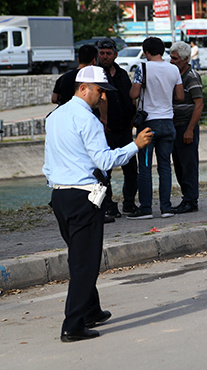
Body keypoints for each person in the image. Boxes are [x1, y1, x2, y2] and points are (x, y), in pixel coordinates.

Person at [43, 65, 153, 342]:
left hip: (60, 195)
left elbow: (48, 165)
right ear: (83, 88)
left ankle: (91, 309)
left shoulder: (54, 117)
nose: (102, 97)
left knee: (79, 256)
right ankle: (73, 325)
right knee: (86, 263)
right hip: (83, 196)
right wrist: (135, 145)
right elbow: (104, 160)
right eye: (99, 91)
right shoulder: (88, 120)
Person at [129, 37, 184, 220]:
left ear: (146, 52)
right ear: (162, 50)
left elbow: (134, 94)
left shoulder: (142, 68)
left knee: (145, 167)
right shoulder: (173, 68)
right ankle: (166, 208)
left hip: (148, 125)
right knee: (165, 167)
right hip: (168, 123)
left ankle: (145, 208)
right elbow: (180, 96)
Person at [96, 38, 140, 221]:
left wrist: (133, 118)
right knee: (105, 171)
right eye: (102, 53)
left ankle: (129, 202)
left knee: (131, 169)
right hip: (105, 130)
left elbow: (131, 97)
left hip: (125, 129)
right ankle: (108, 206)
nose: (105, 56)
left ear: (115, 54)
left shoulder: (122, 74)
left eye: (108, 53)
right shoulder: (97, 74)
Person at [169, 41, 204, 214]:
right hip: (175, 126)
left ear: (185, 59)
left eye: (175, 58)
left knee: (188, 164)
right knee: (179, 165)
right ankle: (187, 198)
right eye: (171, 57)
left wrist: (190, 129)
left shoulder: (191, 76)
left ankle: (191, 200)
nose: (171, 61)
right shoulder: (176, 76)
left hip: (185, 126)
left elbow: (199, 104)